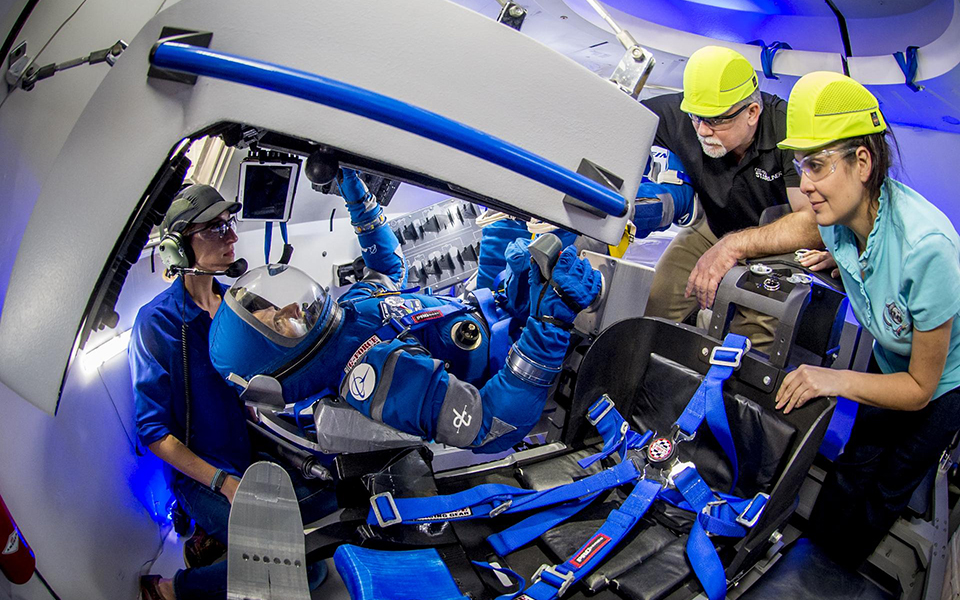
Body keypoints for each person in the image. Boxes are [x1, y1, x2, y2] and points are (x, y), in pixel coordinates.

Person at [209, 168, 602, 454]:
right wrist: (550, 324)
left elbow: (387, 269)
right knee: (584, 225)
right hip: (518, 352)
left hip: (488, 302)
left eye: (279, 305)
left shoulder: (348, 313)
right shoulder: (371, 375)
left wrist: (358, 201)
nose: (293, 306)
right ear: (281, 366)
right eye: (282, 320)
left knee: (537, 203)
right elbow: (491, 426)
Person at [773, 71, 960, 564]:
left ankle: (839, 574)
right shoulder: (839, 220)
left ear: (862, 162)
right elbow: (801, 233)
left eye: (815, 165)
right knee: (855, 462)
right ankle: (811, 565)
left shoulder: (929, 249)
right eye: (799, 166)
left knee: (888, 485)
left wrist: (832, 379)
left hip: (939, 384)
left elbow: (920, 388)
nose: (804, 185)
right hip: (888, 354)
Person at [130, 185, 337, 600]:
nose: (231, 237)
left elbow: (272, 336)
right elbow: (153, 432)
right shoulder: (157, 323)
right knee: (308, 571)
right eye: (216, 228)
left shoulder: (236, 302)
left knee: (330, 498)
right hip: (202, 478)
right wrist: (223, 482)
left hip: (249, 455)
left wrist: (286, 319)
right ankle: (171, 589)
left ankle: (214, 542)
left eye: (230, 224)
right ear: (179, 248)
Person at [638, 46, 821, 348]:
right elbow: (621, 125)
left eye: (716, 120)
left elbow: (810, 224)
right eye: (696, 118)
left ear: (752, 112)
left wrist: (734, 246)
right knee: (655, 301)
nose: (702, 130)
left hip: (779, 242)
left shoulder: (789, 129)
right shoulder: (684, 116)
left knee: (751, 336)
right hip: (716, 226)